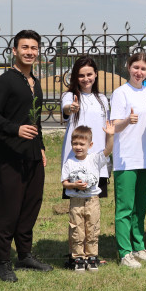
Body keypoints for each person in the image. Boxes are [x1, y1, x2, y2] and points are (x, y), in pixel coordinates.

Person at [0, 29, 51, 282]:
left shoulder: (35, 82)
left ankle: (25, 255)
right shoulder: (4, 81)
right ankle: (3, 262)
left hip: (33, 156)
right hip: (9, 156)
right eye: (25, 47)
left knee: (30, 207)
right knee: (8, 209)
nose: (30, 52)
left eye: (34, 48)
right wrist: (15, 129)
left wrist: (41, 146)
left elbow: (36, 120)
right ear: (14, 50)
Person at [110, 52, 146, 269]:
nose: (139, 72)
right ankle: (124, 251)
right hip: (126, 158)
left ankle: (139, 246)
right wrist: (127, 120)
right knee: (125, 207)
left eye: (144, 69)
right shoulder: (120, 93)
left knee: (140, 206)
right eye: (136, 67)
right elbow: (114, 126)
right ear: (128, 67)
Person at [61, 122, 115, 272]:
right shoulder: (69, 162)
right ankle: (78, 258)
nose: (78, 147)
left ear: (90, 145)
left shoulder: (94, 159)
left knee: (92, 228)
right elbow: (64, 183)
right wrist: (74, 186)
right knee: (77, 229)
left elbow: (108, 150)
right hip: (76, 201)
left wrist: (110, 135)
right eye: (75, 143)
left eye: (82, 144)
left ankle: (91, 257)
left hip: (92, 200)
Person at [61, 56, 110, 198]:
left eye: (89, 74)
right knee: (76, 206)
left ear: (95, 74)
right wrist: (71, 108)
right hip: (76, 159)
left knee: (94, 205)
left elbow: (107, 127)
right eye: (81, 75)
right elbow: (66, 108)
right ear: (75, 77)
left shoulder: (102, 99)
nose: (86, 79)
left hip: (97, 159)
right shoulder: (69, 95)